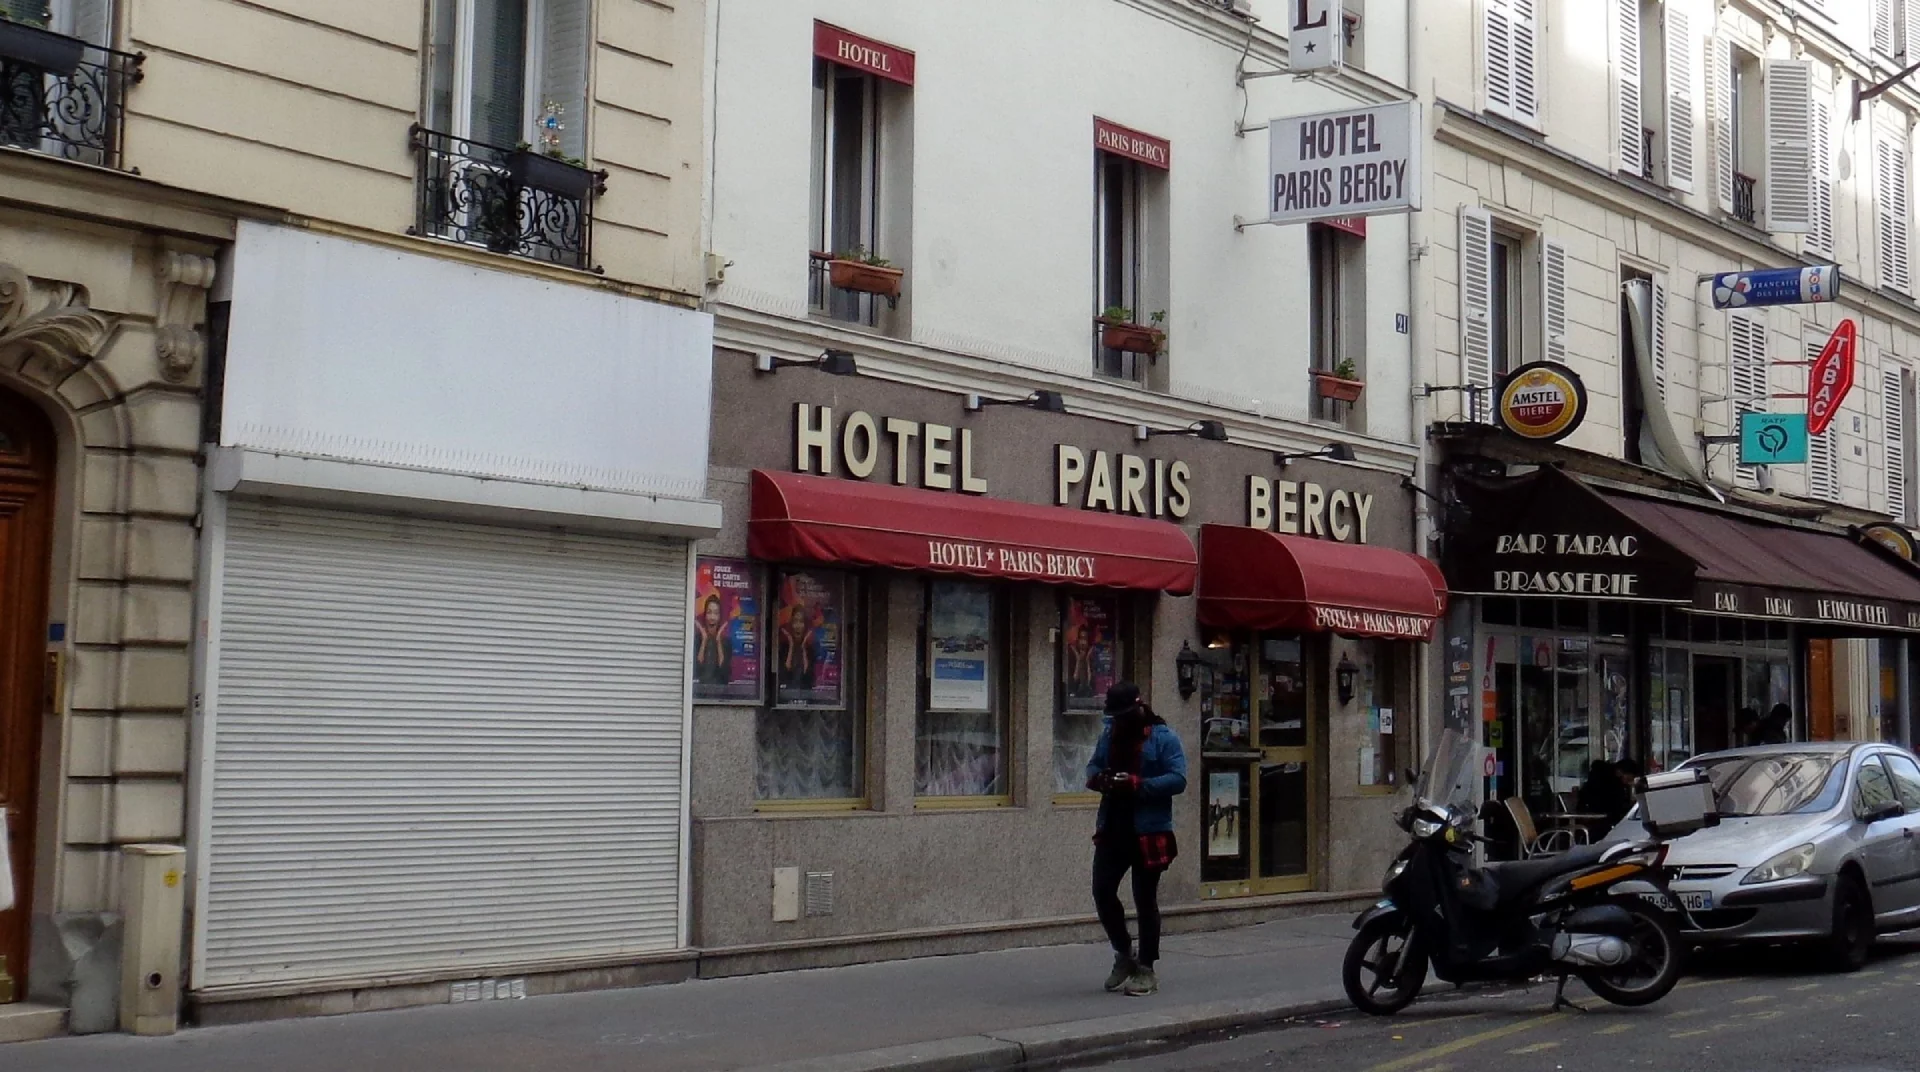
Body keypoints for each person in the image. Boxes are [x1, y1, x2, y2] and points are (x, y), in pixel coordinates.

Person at [1086, 682, 1187, 998]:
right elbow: (1094, 764)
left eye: (1122, 715)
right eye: (1113, 716)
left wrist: (1137, 784)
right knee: (1102, 891)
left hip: (1149, 830)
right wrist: (1099, 778)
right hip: (1114, 826)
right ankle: (1123, 953)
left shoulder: (1163, 737)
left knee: (1145, 899)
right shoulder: (1109, 733)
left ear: (1138, 708)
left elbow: (1178, 779)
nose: (1117, 721)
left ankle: (1147, 967)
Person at [1576, 760, 1631, 826]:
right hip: (1598, 815)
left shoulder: (1601, 776)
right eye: (1628, 779)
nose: (1628, 783)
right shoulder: (1612, 783)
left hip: (1591, 811)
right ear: (1620, 772)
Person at [692, 594, 731, 687]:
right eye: (709, 612)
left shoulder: (726, 642)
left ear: (720, 616)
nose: (712, 617)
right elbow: (696, 671)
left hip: (720, 695)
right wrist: (704, 641)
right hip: (699, 694)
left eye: (716, 613)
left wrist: (718, 642)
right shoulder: (698, 639)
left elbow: (724, 674)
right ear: (705, 615)